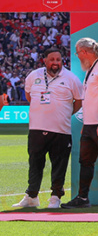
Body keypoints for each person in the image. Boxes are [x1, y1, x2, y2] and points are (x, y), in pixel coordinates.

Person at [13, 47, 82, 210]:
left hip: (61, 130)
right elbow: (29, 96)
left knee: (59, 164)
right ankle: (32, 196)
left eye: (58, 59)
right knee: (35, 163)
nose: (56, 63)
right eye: (52, 59)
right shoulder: (33, 76)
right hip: (37, 128)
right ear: (45, 60)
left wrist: (64, 113)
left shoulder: (71, 78)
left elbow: (78, 102)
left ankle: (55, 197)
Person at [64, 38, 98, 209]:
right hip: (89, 125)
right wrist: (86, 124)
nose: (77, 56)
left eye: (78, 53)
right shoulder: (92, 69)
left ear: (85, 52)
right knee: (85, 161)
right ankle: (82, 198)